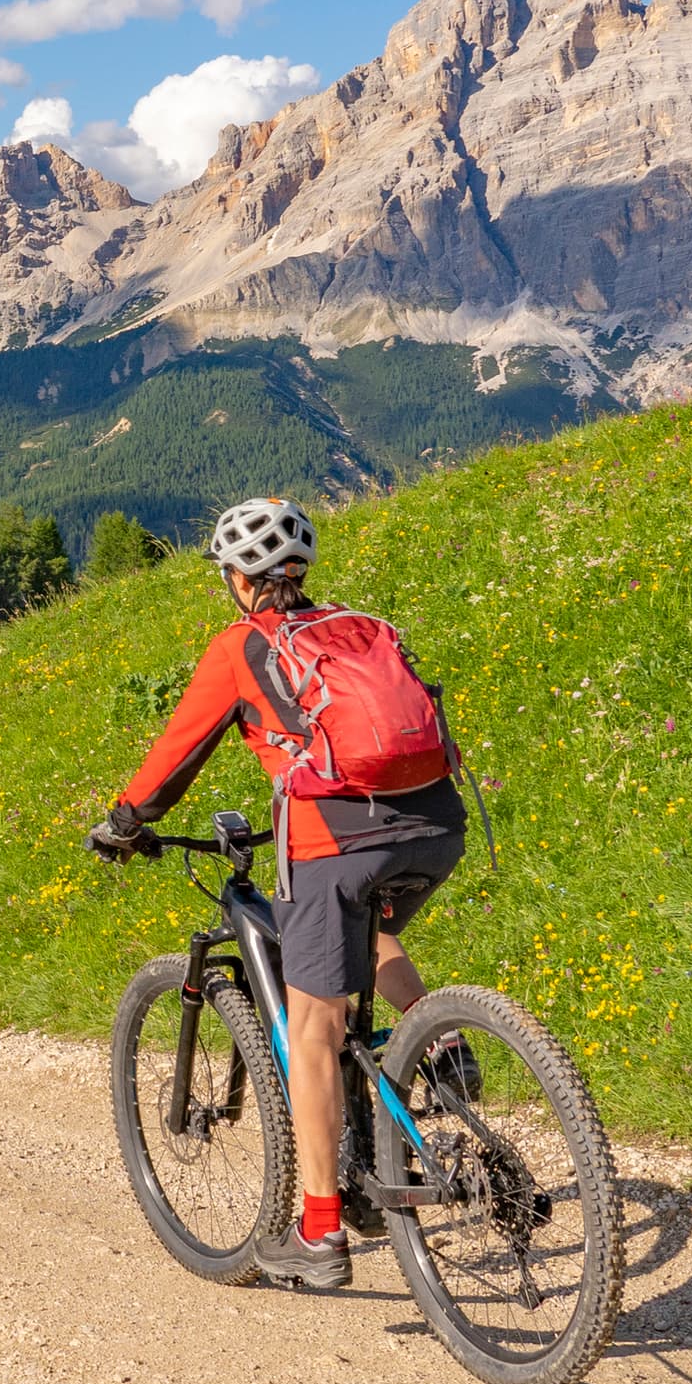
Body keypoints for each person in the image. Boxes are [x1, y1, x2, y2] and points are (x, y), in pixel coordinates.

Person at [89, 497, 467, 1290]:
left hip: (335, 836)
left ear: (238, 577)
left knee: (314, 1028)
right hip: (437, 821)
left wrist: (125, 822)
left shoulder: (241, 646)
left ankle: (320, 1233)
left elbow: (175, 756)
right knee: (368, 928)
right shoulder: (357, 628)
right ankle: (441, 1046)